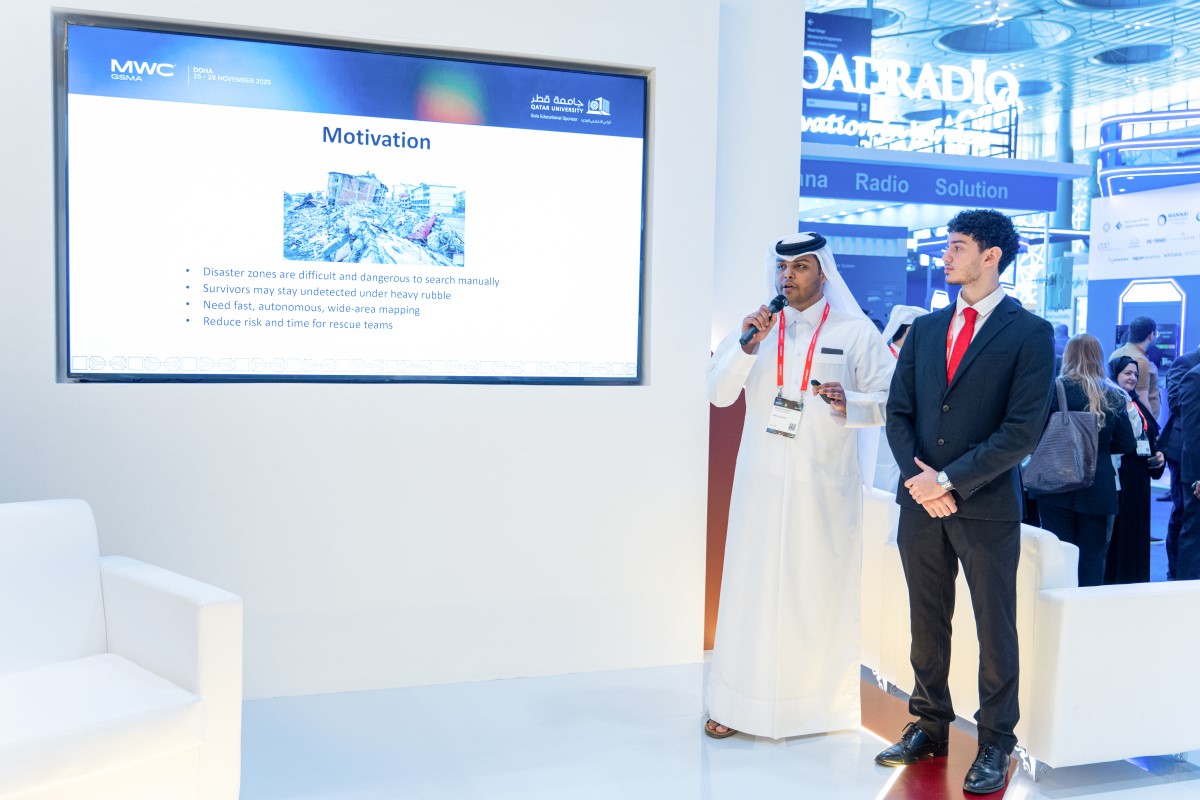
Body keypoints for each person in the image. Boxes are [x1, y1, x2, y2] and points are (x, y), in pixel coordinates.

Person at [877, 209, 1054, 796]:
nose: (946, 256)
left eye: (957, 246)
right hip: (920, 503)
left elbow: (1021, 432)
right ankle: (929, 724)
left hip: (984, 504)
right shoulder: (927, 329)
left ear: (991, 256)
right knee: (926, 619)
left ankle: (997, 741)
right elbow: (898, 413)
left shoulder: (1030, 333)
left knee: (994, 626)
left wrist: (949, 480)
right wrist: (922, 482)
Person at [704, 232, 892, 740]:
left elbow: (891, 399)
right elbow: (719, 394)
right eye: (782, 268)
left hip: (823, 487)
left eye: (800, 267)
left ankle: (813, 708)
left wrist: (849, 401)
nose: (787, 276)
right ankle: (736, 704)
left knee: (816, 592)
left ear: (823, 273)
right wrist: (747, 346)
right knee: (751, 590)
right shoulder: (755, 329)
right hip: (760, 485)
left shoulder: (855, 332)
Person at [1029, 335, 1136, 587]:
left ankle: (1058, 605)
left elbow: (1033, 436)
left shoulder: (1053, 390)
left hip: (1054, 484)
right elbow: (1127, 444)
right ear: (1099, 359)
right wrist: (1099, 449)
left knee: (1057, 555)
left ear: (1068, 356)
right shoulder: (1114, 395)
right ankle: (1088, 607)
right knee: (1092, 559)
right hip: (1098, 486)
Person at [1105, 356, 1165, 584]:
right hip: (1118, 478)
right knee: (1118, 535)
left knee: (1137, 533)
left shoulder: (1136, 403)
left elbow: (1149, 437)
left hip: (1139, 479)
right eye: (1127, 373)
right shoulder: (1108, 402)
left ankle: (1136, 584)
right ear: (1115, 374)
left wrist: (1158, 456)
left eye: (1135, 374)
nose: (1132, 378)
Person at [873, 305, 929, 492]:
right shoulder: (883, 362)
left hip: (906, 445)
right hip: (883, 442)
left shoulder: (908, 362)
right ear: (910, 330)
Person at [1157, 343, 1200, 578]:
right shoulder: (1187, 364)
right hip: (1185, 452)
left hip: (1189, 450)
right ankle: (1176, 574)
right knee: (1184, 513)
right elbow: (1177, 404)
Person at [1175, 361, 1200, 580]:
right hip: (1196, 473)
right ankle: (1187, 589)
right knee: (1194, 533)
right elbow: (1191, 434)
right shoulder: (1195, 377)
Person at [1110, 316, 1161, 418]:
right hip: (1138, 421)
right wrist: (1150, 425)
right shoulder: (1140, 361)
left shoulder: (1115, 354)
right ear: (1151, 335)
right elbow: (1142, 400)